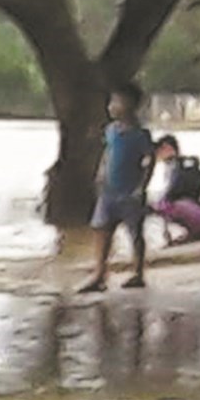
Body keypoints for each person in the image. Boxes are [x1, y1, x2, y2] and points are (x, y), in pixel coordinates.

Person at [77, 81, 154, 293]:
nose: (111, 106)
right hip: (108, 191)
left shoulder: (140, 135)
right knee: (102, 230)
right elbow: (108, 154)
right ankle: (99, 273)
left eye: (116, 102)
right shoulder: (111, 130)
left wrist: (142, 186)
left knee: (135, 233)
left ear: (130, 104)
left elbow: (149, 160)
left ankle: (138, 272)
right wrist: (100, 173)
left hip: (130, 193)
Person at [152, 135, 200, 245]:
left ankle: (192, 232)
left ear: (167, 148)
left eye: (159, 150)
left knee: (163, 206)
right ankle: (190, 233)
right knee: (163, 204)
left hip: (196, 210)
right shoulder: (184, 164)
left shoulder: (176, 167)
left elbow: (174, 189)